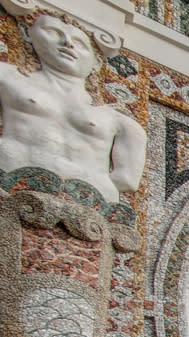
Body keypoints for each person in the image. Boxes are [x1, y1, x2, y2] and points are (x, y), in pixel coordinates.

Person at [0, 14, 145, 202]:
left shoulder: (122, 123)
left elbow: (128, 180)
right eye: (53, 32)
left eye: (81, 43)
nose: (68, 43)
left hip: (93, 206)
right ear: (27, 34)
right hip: (12, 185)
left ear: (96, 60)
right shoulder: (7, 77)